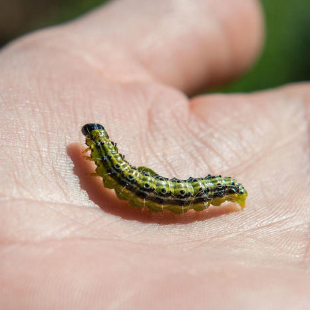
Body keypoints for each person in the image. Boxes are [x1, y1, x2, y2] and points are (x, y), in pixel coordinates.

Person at [1, 0, 309, 309]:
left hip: (185, 193)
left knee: (157, 187)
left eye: (92, 139)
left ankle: (228, 190)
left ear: (97, 148)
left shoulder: (113, 170)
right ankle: (228, 190)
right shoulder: (112, 171)